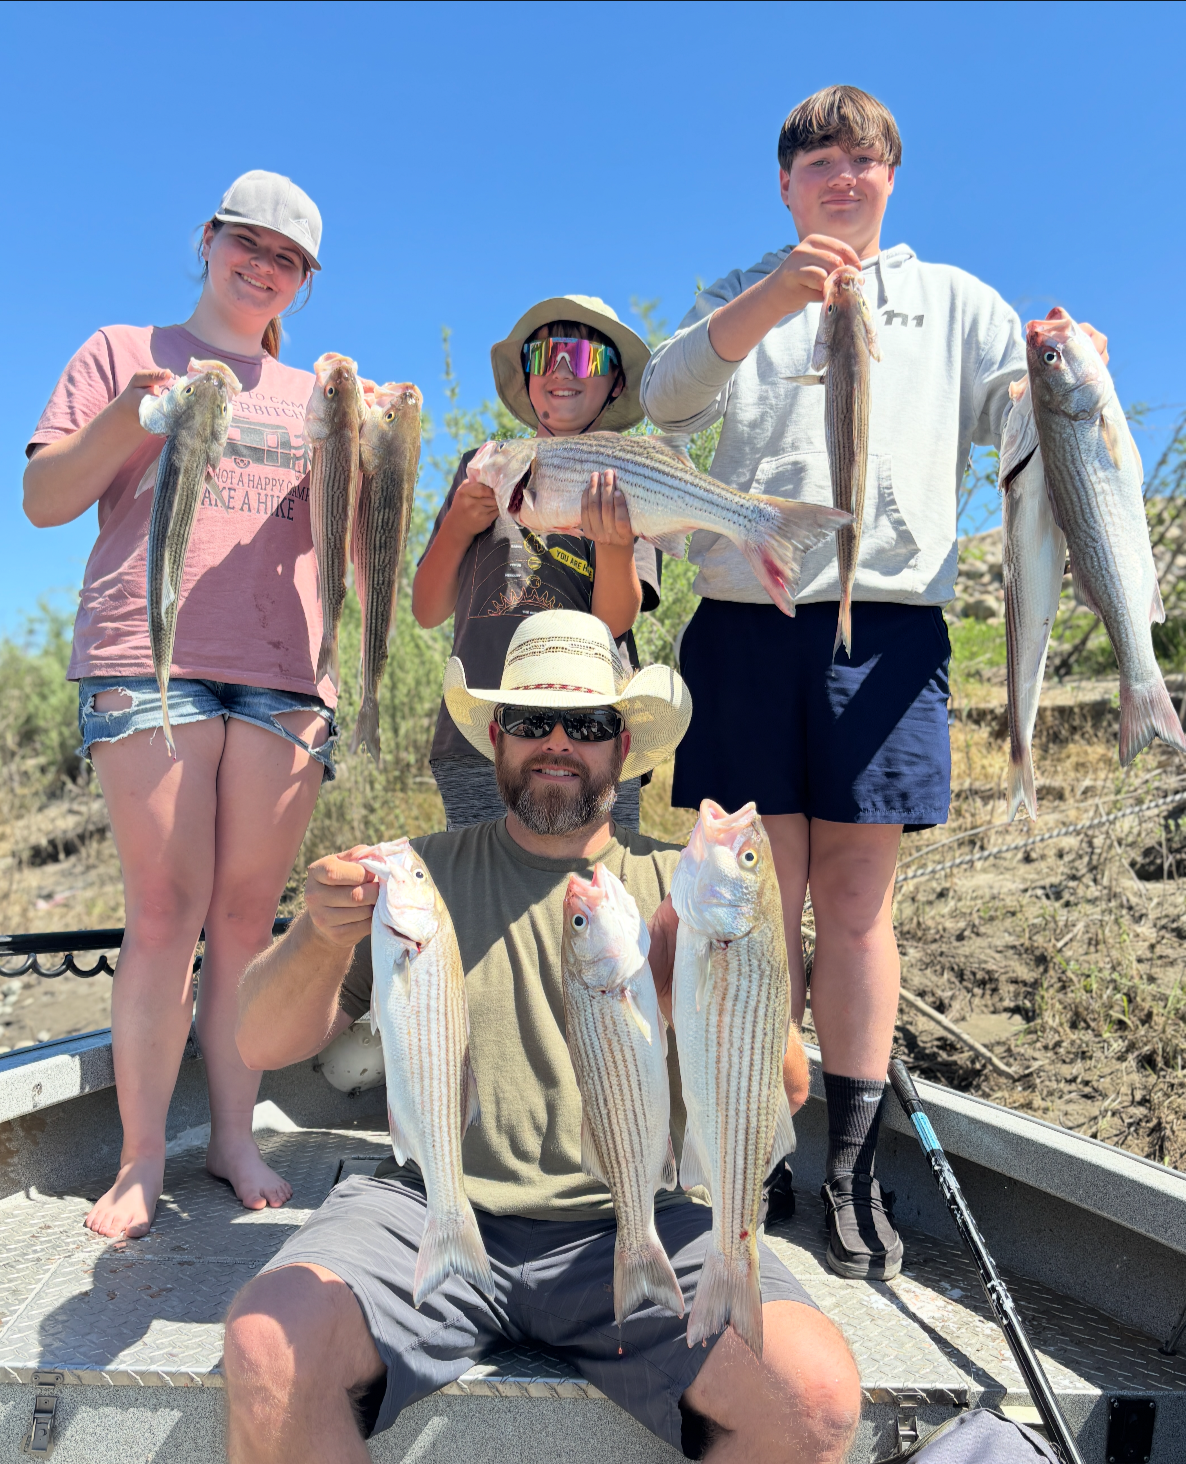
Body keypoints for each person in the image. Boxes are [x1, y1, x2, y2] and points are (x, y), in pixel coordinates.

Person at [640, 86, 1110, 1280]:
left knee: (855, 909)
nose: (842, 178)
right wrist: (766, 302)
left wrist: (1074, 362)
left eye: (863, 161)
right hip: (750, 627)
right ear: (786, 185)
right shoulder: (740, 290)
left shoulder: (954, 301)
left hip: (891, 629)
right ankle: (754, 1149)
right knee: (752, 914)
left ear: (891, 177)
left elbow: (1026, 406)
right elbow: (666, 399)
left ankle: (847, 1168)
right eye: (818, 163)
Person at [226, 610, 858, 1464]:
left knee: (814, 1398)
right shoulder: (413, 875)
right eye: (531, 720)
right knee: (267, 1341)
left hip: (637, 1217)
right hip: (432, 1201)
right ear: (496, 735)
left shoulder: (686, 887)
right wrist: (318, 931)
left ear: (622, 745)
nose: (558, 742)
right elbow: (256, 1040)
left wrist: (698, 988)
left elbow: (782, 1089)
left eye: (589, 725)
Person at [23, 170, 342, 1239]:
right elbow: (44, 499)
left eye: (287, 259)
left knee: (247, 920)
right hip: (147, 656)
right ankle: (141, 1155)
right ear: (207, 240)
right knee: (165, 910)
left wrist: (372, 436)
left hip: (285, 668)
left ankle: (233, 1139)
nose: (262, 267)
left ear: (302, 283)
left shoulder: (313, 399)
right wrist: (133, 414)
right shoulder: (123, 351)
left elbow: (340, 546)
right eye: (247, 244)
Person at [412, 296, 662, 832]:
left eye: (585, 356)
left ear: (616, 382)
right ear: (525, 374)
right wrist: (457, 525)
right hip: (479, 734)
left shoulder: (632, 474)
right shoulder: (484, 467)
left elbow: (615, 623)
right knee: (480, 900)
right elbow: (428, 610)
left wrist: (615, 544)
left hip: (591, 737)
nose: (563, 369)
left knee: (598, 900)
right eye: (546, 354)